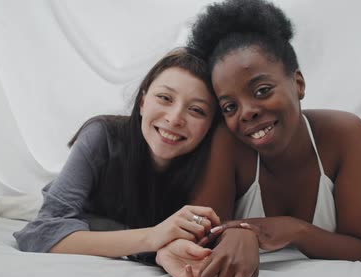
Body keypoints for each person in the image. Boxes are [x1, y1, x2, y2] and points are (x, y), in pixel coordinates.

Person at [156, 0, 361, 277]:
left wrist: (288, 229)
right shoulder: (228, 142)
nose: (246, 112)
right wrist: (236, 233)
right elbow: (205, 238)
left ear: (298, 83)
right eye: (229, 106)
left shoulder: (345, 135)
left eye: (262, 90)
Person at [14, 47, 230, 260]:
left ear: (211, 125)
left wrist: (161, 250)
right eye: (165, 98)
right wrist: (151, 238)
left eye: (196, 110)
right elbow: (41, 233)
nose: (175, 119)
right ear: (143, 103)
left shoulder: (212, 164)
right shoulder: (102, 136)